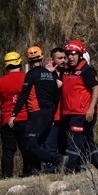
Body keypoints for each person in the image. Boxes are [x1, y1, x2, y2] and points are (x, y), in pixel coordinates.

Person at [12, 46, 64, 174]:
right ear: (41, 57)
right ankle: (34, 171)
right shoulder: (51, 75)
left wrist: (14, 114)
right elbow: (57, 94)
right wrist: (52, 113)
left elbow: (23, 95)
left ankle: (57, 160)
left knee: (30, 143)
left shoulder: (31, 74)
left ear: (28, 60)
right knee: (39, 143)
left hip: (36, 112)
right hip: (49, 112)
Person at [60, 40, 98, 172]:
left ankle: (68, 171)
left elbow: (97, 89)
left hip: (82, 113)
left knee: (73, 143)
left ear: (80, 55)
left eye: (73, 54)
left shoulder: (86, 71)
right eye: (68, 54)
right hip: (72, 113)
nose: (70, 57)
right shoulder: (68, 71)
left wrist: (90, 109)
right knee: (88, 143)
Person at [0, 51, 28, 178]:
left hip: (6, 120)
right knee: (26, 148)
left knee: (8, 151)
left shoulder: (0, 82)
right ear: (20, 62)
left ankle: (7, 176)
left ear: (6, 65)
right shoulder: (26, 78)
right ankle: (28, 173)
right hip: (25, 118)